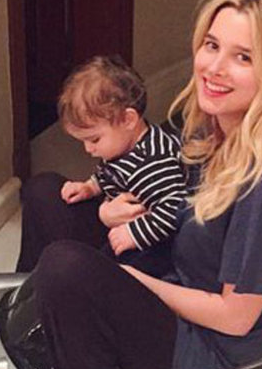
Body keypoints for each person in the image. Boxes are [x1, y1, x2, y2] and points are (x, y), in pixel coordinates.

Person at [30, 0, 262, 369]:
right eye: (212, 45)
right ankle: (41, 317)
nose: (215, 67)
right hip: (176, 267)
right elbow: (162, 193)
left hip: (205, 341)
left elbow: (235, 319)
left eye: (243, 57)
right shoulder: (212, 125)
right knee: (46, 193)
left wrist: (136, 282)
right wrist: (107, 211)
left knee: (64, 266)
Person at [16, 56, 186, 277]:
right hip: (118, 226)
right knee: (40, 189)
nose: (88, 149)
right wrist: (90, 187)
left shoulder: (153, 163)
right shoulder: (123, 148)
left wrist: (133, 233)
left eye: (94, 139)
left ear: (128, 119)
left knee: (67, 260)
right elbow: (109, 174)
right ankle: (25, 283)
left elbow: (174, 209)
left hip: (147, 247)